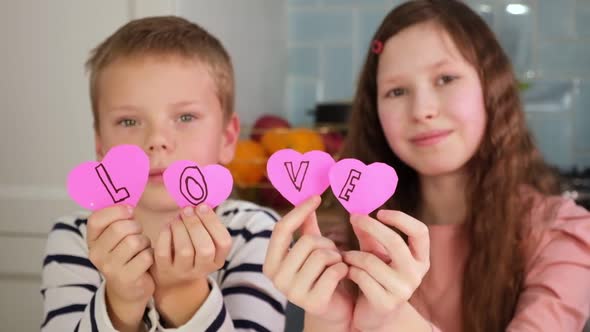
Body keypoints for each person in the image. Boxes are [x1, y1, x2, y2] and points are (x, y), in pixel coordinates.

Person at [263, 1, 590, 331]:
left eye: (446, 78)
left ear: (492, 88)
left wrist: (393, 320)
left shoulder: (563, 236)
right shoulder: (349, 248)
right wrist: (326, 318)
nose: (422, 110)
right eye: (397, 90)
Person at [41, 16, 286, 331]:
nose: (156, 140)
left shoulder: (256, 232)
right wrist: (120, 302)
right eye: (129, 121)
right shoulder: (75, 238)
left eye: (185, 116)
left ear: (227, 139)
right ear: (100, 146)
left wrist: (183, 293)